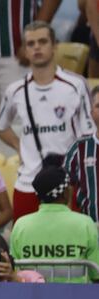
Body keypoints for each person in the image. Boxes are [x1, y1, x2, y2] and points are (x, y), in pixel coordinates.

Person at [0, 21, 95, 223]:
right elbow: (0, 125)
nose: (37, 47)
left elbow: (88, 134)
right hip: (28, 183)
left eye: (42, 42)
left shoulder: (75, 85)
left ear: (55, 45)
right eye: (30, 44)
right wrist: (18, 147)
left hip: (67, 184)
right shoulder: (15, 90)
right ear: (24, 50)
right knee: (26, 249)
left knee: (71, 247)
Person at [10, 163, 99, 283]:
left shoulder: (21, 226)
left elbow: (14, 272)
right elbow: (96, 274)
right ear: (65, 192)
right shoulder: (85, 224)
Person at [65, 85, 99, 223]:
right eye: (98, 106)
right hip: (90, 229)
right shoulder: (78, 148)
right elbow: (66, 190)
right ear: (91, 113)